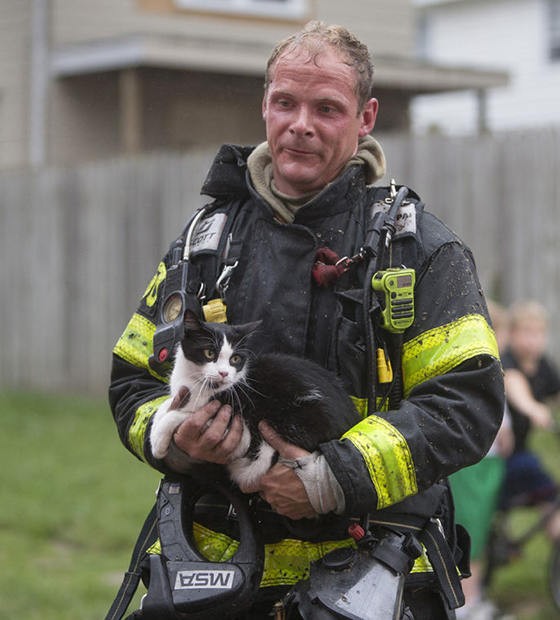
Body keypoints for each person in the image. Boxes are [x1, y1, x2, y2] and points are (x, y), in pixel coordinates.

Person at [108, 21, 504, 619]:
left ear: (366, 117)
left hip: (373, 578)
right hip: (215, 576)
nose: (301, 124)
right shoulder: (202, 247)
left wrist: (332, 476)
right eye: (285, 102)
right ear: (265, 105)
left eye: (327, 108)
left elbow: (465, 401)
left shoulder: (418, 252)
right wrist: (180, 441)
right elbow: (133, 381)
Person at [450, 300, 514, 620]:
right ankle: (464, 603)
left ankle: (474, 598)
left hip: (491, 466)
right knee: (468, 530)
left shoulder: (498, 372)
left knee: (481, 530)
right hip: (470, 466)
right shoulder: (468, 371)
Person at [499, 300, 560, 540]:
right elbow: (514, 386)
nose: (533, 340)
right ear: (512, 334)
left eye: (539, 333)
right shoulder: (507, 361)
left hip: (521, 454)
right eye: (527, 332)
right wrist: (534, 409)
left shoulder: (542, 364)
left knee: (551, 496)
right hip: (495, 458)